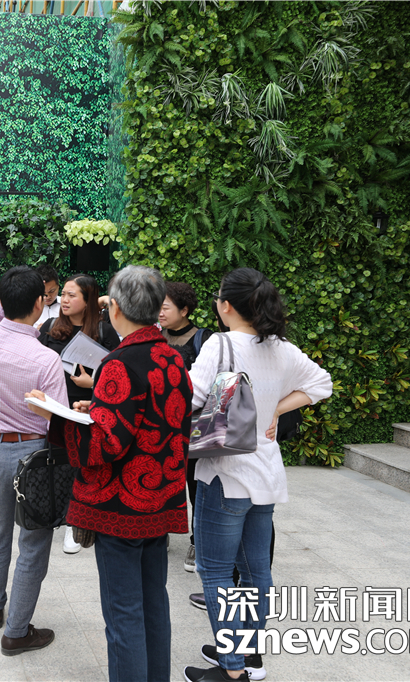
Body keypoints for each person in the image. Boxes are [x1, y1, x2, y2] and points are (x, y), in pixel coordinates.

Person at [36, 265, 190, 682]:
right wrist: (98, 408)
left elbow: (106, 445)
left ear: (115, 308)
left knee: (123, 614)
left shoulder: (119, 363)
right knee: (154, 604)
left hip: (122, 506)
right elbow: (157, 418)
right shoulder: (171, 357)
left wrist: (58, 418)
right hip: (159, 499)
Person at [182, 268, 332, 682]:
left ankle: (232, 670)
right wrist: (275, 410)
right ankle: (248, 655)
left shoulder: (220, 343)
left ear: (227, 305)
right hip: (266, 474)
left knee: (215, 571)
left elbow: (190, 397)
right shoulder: (283, 348)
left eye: (218, 298)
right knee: (256, 573)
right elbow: (321, 384)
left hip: (225, 472)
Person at [0, 266, 68, 655]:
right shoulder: (46, 359)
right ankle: (17, 631)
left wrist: (9, 297)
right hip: (36, 455)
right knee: (34, 541)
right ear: (40, 304)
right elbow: (59, 419)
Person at [37, 273, 120, 554]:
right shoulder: (50, 327)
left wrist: (92, 383)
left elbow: (117, 375)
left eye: (72, 295)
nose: (64, 300)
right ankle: (62, 517)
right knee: (58, 464)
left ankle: (78, 523)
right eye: (64, 295)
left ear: (88, 300)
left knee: (85, 465)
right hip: (57, 407)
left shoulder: (105, 332)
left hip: (88, 407)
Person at [159, 281, 214, 574]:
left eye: (165, 307)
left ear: (184, 310)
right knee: (162, 482)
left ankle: (197, 541)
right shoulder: (155, 336)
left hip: (192, 427)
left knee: (195, 487)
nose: (160, 312)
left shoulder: (204, 339)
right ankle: (160, 532)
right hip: (160, 426)